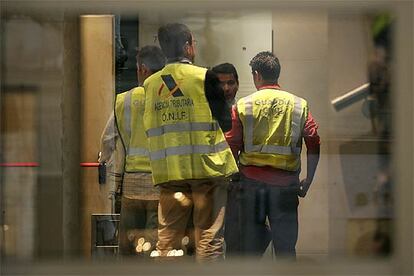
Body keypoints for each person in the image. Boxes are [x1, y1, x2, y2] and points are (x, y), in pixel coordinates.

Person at [142, 23, 238, 262]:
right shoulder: (204, 77)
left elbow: (150, 126)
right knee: (208, 237)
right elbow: (226, 123)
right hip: (207, 171)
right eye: (193, 42)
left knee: (168, 239)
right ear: (187, 46)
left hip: (169, 172)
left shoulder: (151, 84)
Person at [226, 51, 320, 259]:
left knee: (249, 251)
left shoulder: (243, 105)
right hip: (286, 188)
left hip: (251, 187)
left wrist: (232, 179)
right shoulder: (299, 105)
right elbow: (313, 141)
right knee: (286, 251)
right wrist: (309, 180)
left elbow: (231, 145)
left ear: (256, 75)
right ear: (277, 74)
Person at [99, 45, 166, 256]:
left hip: (130, 188)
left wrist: (104, 160)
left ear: (143, 69)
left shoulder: (124, 100)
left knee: (128, 249)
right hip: (160, 186)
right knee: (153, 249)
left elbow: (107, 140)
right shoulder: (168, 99)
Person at [211, 62, 272, 258]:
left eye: (231, 82)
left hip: (238, 183)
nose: (226, 88)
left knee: (239, 238)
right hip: (211, 182)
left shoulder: (244, 109)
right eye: (221, 83)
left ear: (238, 83)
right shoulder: (206, 112)